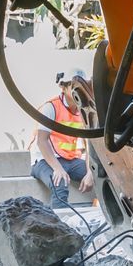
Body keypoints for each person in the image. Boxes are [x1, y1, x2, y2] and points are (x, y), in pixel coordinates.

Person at [30, 71, 95, 209]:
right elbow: (42, 141)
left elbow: (89, 144)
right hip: (44, 160)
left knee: (100, 175)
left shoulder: (84, 110)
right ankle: (60, 227)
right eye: (73, 86)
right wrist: (57, 169)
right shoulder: (51, 107)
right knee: (60, 183)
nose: (78, 90)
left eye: (81, 86)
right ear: (63, 87)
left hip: (69, 159)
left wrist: (90, 172)